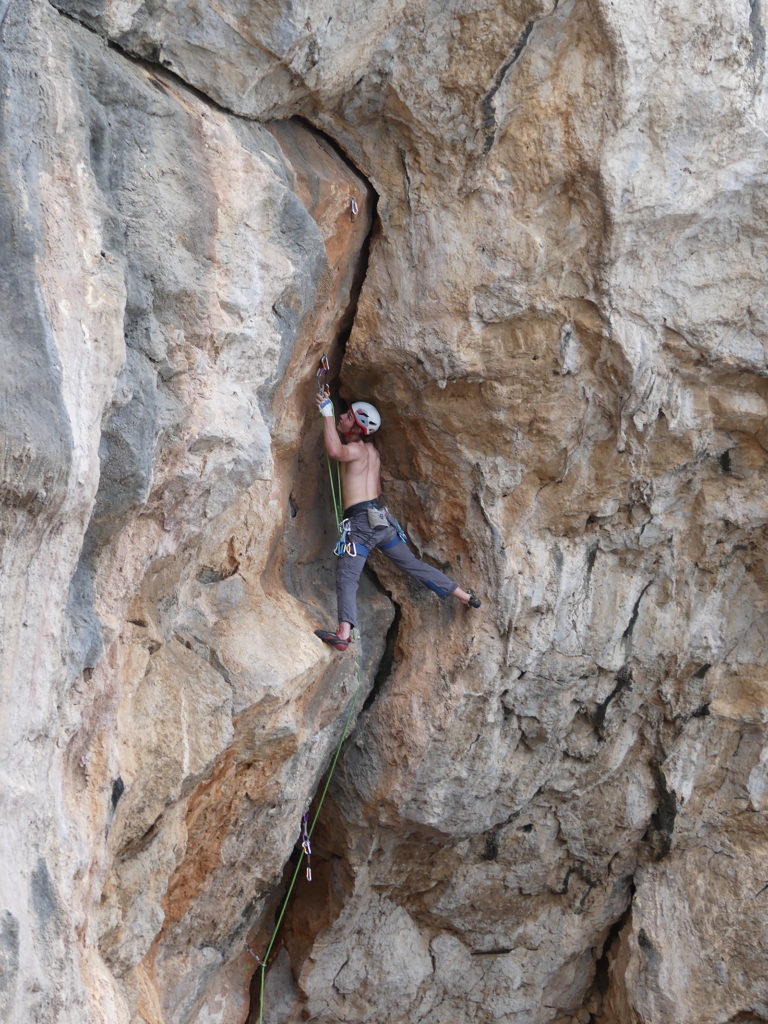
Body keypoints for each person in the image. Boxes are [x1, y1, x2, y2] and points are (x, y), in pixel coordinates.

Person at [314, 391, 481, 651]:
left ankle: (344, 633)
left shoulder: (356, 449)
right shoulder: (372, 452)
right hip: (383, 522)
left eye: (346, 416)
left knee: (347, 574)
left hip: (361, 523)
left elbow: (335, 451)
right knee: (413, 565)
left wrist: (326, 413)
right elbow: (377, 490)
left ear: (358, 426)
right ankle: (463, 595)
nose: (341, 417)